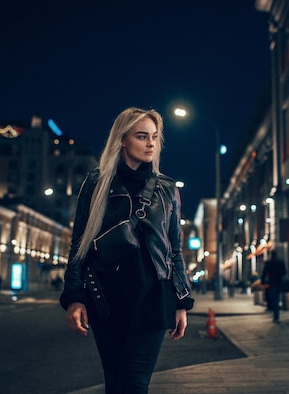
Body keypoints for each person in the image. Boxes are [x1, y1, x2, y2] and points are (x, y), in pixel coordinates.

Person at [60, 107, 194, 394]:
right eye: (142, 136)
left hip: (153, 296)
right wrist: (74, 296)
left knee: (134, 383)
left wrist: (182, 300)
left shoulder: (167, 189)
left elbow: (175, 250)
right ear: (122, 140)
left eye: (155, 137)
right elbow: (79, 244)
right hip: (107, 297)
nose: (150, 144)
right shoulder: (96, 184)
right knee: (116, 382)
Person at [261, 250, 286, 323]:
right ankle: (276, 315)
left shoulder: (269, 263)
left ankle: (276, 316)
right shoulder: (280, 262)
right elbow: (284, 272)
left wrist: (263, 281)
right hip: (279, 282)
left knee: (274, 299)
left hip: (272, 283)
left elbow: (264, 273)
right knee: (277, 298)